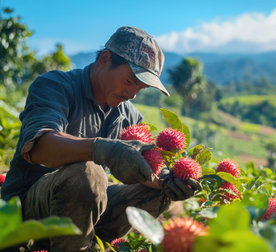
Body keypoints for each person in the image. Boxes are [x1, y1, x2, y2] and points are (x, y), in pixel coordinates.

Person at [0, 26, 201, 251]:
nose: (132, 94)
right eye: (129, 81)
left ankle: (93, 244)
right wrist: (104, 149)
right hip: (27, 210)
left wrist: (168, 181)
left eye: (140, 88)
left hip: (84, 212)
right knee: (88, 172)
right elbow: (39, 147)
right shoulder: (56, 86)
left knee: (157, 191)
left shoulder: (129, 114)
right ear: (105, 59)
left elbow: (140, 169)